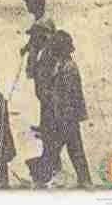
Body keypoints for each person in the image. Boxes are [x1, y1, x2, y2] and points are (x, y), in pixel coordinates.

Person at [29, 31, 91, 187]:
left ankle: (40, 182)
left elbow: (69, 97)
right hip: (65, 118)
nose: (52, 49)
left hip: (66, 118)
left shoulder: (69, 68)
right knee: (74, 151)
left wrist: (60, 115)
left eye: (55, 47)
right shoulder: (61, 64)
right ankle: (85, 181)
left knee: (54, 150)